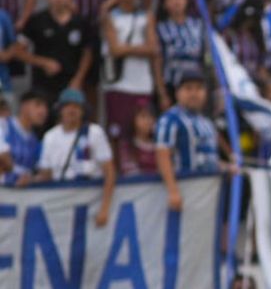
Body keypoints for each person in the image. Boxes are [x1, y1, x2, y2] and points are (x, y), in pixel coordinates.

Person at [36, 88, 116, 226]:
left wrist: (105, 208)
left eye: (76, 106)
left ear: (83, 110)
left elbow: (109, 171)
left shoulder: (94, 133)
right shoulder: (50, 137)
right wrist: (29, 180)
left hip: (90, 203)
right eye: (67, 106)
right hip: (60, 204)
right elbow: (46, 175)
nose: (71, 110)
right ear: (60, 110)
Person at [101, 0, 158, 148]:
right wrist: (141, 48)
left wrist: (127, 48)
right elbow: (115, 50)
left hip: (142, 84)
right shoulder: (110, 16)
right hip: (118, 85)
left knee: (143, 132)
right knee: (118, 134)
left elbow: (153, 49)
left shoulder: (146, 16)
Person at [155, 68, 219, 212]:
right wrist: (173, 191)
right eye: (188, 89)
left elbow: (207, 156)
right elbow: (163, 155)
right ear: (178, 92)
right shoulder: (170, 120)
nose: (194, 94)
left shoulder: (207, 123)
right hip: (186, 190)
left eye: (199, 89)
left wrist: (227, 167)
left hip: (208, 191)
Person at [22, 0, 94, 100]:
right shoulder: (36, 21)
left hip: (71, 85)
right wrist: (43, 62)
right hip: (42, 85)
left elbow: (88, 52)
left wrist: (78, 79)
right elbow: (18, 50)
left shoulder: (81, 22)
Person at [155, 0, 204, 109]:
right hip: (171, 83)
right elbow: (157, 61)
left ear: (186, 0)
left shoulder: (198, 26)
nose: (176, 1)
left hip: (195, 83)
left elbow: (205, 57)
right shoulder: (160, 28)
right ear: (165, 3)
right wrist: (162, 93)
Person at [1, 91, 46, 186]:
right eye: (38, 104)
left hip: (21, 197)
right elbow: (4, 161)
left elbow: (43, 174)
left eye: (46, 107)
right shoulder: (3, 125)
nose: (43, 111)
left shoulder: (36, 141)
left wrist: (30, 179)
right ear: (24, 106)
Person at [118, 104, 158, 176]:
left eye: (151, 117)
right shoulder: (127, 146)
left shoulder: (159, 144)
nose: (149, 121)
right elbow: (130, 174)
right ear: (133, 120)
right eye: (143, 116)